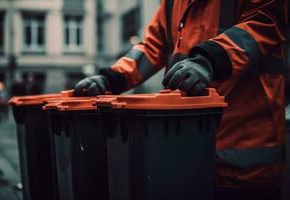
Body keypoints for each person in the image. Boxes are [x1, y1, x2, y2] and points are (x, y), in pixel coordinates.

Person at [74, 0, 287, 199]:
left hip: (244, 166)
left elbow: (266, 21)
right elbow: (152, 45)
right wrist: (110, 79)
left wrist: (209, 60)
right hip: (186, 156)